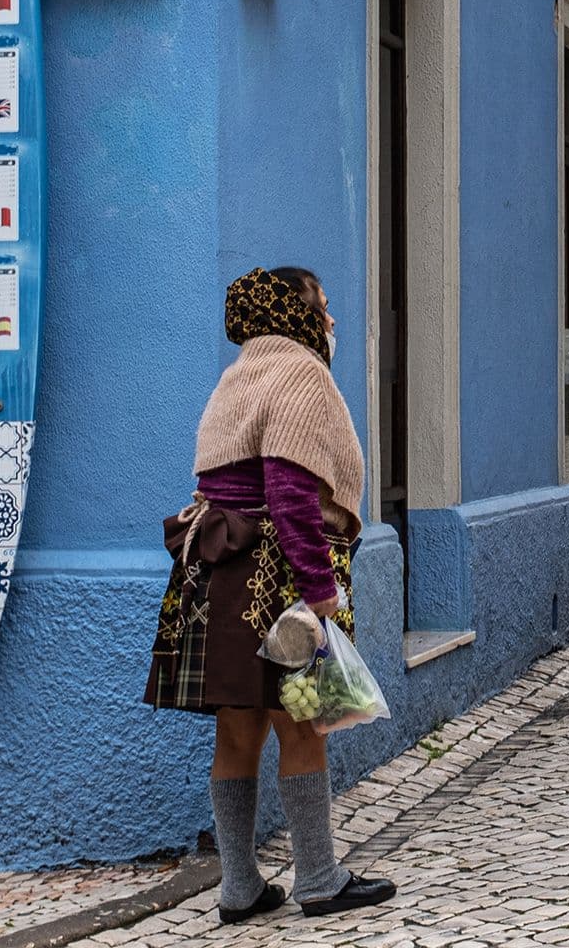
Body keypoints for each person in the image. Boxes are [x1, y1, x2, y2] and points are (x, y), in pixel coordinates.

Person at [144, 266, 396, 922]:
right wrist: (320, 593)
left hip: (217, 577)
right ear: (296, 312)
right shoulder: (301, 375)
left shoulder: (239, 376)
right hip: (276, 578)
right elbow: (289, 494)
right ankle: (317, 877)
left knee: (238, 731)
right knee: (305, 724)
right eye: (324, 304)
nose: (333, 319)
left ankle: (239, 887)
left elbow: (223, 481)